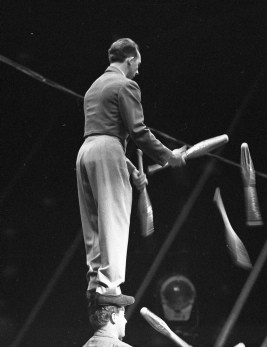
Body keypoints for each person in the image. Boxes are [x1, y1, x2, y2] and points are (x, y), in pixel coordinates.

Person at [76, 37, 187, 308]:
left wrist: (131, 168)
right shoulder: (126, 85)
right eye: (138, 62)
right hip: (107, 151)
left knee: (93, 220)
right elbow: (137, 132)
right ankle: (110, 287)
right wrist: (168, 156)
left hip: (86, 152)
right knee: (113, 218)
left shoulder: (94, 87)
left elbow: (104, 133)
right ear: (130, 59)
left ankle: (95, 284)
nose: (139, 69)